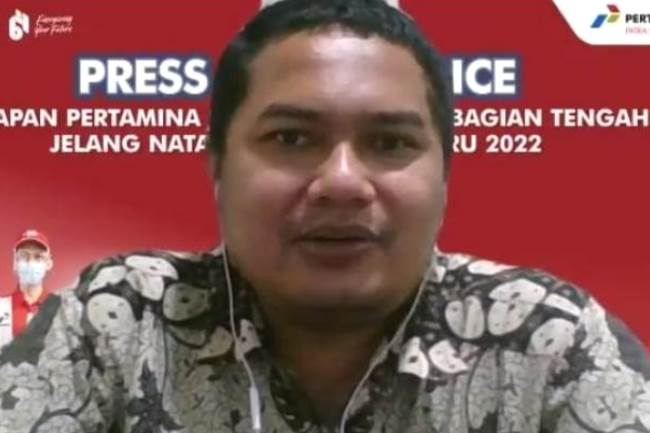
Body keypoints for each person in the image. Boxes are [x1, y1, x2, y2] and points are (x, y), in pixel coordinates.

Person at [1, 1, 649, 432]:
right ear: (216, 166)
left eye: (390, 142)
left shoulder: (545, 338)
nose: (342, 182)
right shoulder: (119, 321)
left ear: (445, 177)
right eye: (290, 138)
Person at [0, 229, 53, 349]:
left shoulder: (61, 310)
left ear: (48, 263)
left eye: (38, 257)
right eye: (24, 256)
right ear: (15, 263)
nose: (31, 263)